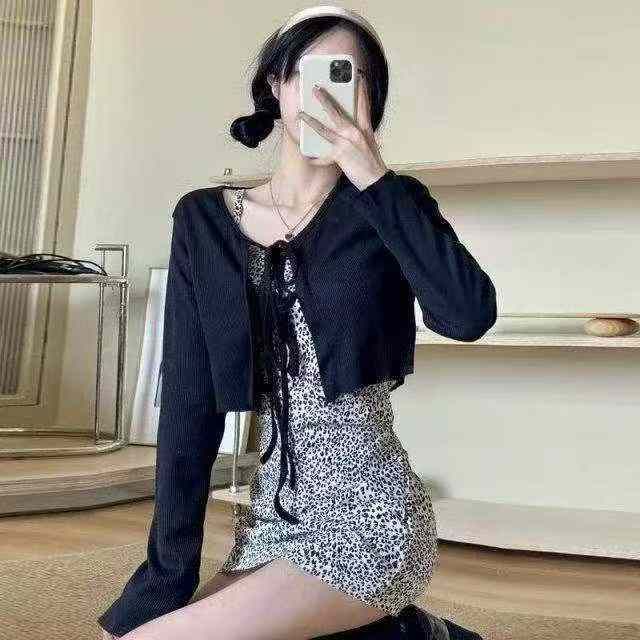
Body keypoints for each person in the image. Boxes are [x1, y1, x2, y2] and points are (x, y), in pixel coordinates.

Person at [98, 5, 495, 640]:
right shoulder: (205, 221)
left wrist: (373, 176)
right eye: (313, 73)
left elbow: (468, 315)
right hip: (269, 522)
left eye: (351, 77)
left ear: (370, 99)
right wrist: (164, 581)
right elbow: (188, 405)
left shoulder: (390, 207)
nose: (331, 93)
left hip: (369, 520)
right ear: (276, 86)